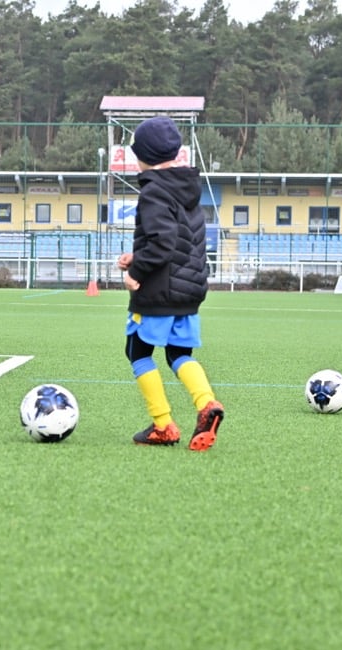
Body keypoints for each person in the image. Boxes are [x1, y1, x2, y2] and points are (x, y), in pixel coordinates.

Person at [115, 116, 224, 451]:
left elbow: (162, 242)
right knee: (179, 353)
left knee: (137, 351)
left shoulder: (153, 191)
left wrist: (136, 273)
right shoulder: (187, 187)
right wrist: (137, 255)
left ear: (142, 155)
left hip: (159, 289)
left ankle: (163, 424)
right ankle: (207, 403)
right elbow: (179, 239)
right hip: (188, 289)